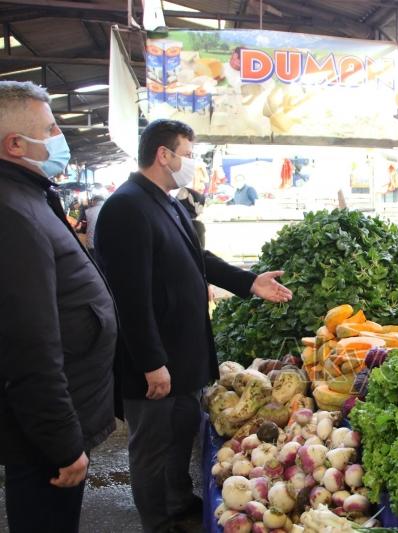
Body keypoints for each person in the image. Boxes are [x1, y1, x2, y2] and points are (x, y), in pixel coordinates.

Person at [94, 119, 293, 533]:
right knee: (151, 444)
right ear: (163, 155)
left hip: (184, 356)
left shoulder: (170, 202)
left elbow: (198, 258)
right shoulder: (126, 207)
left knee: (181, 433)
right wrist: (151, 362)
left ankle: (179, 500)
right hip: (155, 360)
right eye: (187, 154)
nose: (192, 162)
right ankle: (157, 520)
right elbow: (129, 297)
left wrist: (249, 281)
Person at [0, 81, 117, 532]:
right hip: (43, 441)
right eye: (50, 129)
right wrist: (63, 444)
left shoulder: (29, 197)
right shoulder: (11, 214)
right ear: (15, 144)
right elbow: (29, 346)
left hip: (55, 423)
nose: (58, 139)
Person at [84, 194, 105, 261]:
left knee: (94, 263)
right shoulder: (109, 209)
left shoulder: (88, 211)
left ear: (94, 201)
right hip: (105, 242)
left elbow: (84, 226)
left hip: (91, 242)